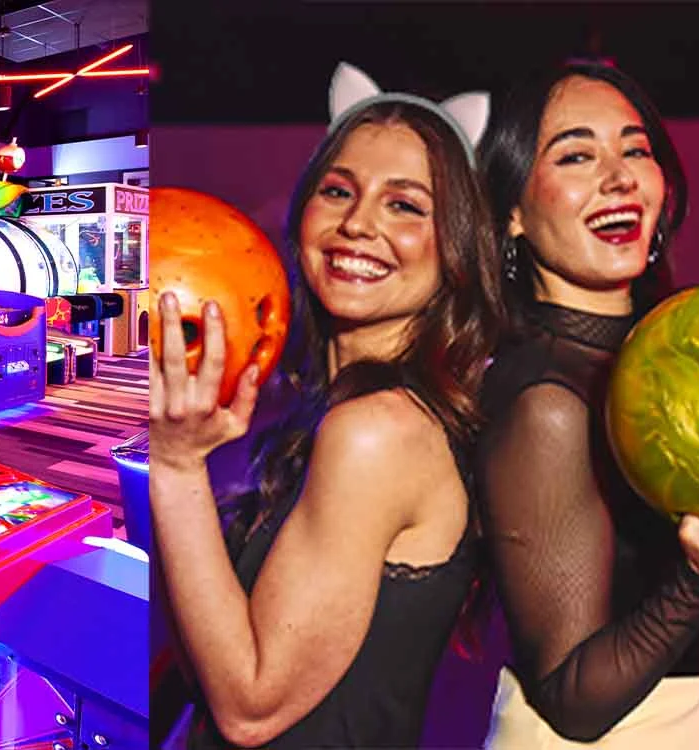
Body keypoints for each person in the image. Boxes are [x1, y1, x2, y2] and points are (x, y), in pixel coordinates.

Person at [145, 62, 502, 749]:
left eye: (406, 205)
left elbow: (251, 710)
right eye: (339, 191)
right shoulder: (323, 410)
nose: (358, 224)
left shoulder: (380, 431)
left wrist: (179, 469)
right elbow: (206, 654)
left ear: (456, 248)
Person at [473, 61, 699, 748]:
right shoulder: (546, 402)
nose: (618, 177)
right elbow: (572, 702)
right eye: (576, 155)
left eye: (635, 148)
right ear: (512, 213)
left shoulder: (658, 362)